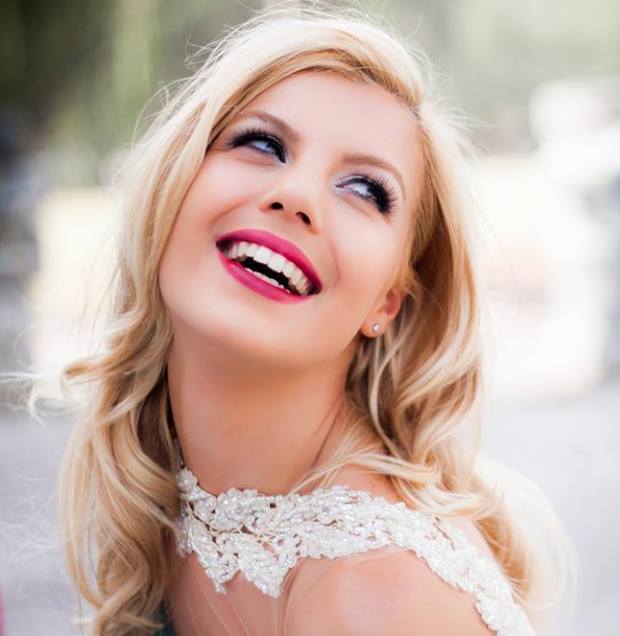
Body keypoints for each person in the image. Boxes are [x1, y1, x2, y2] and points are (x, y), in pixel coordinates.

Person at [36, 4, 575, 636]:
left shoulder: (375, 592)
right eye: (262, 144)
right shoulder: (171, 497)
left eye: (365, 189)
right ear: (172, 184)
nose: (296, 196)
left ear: (388, 302)